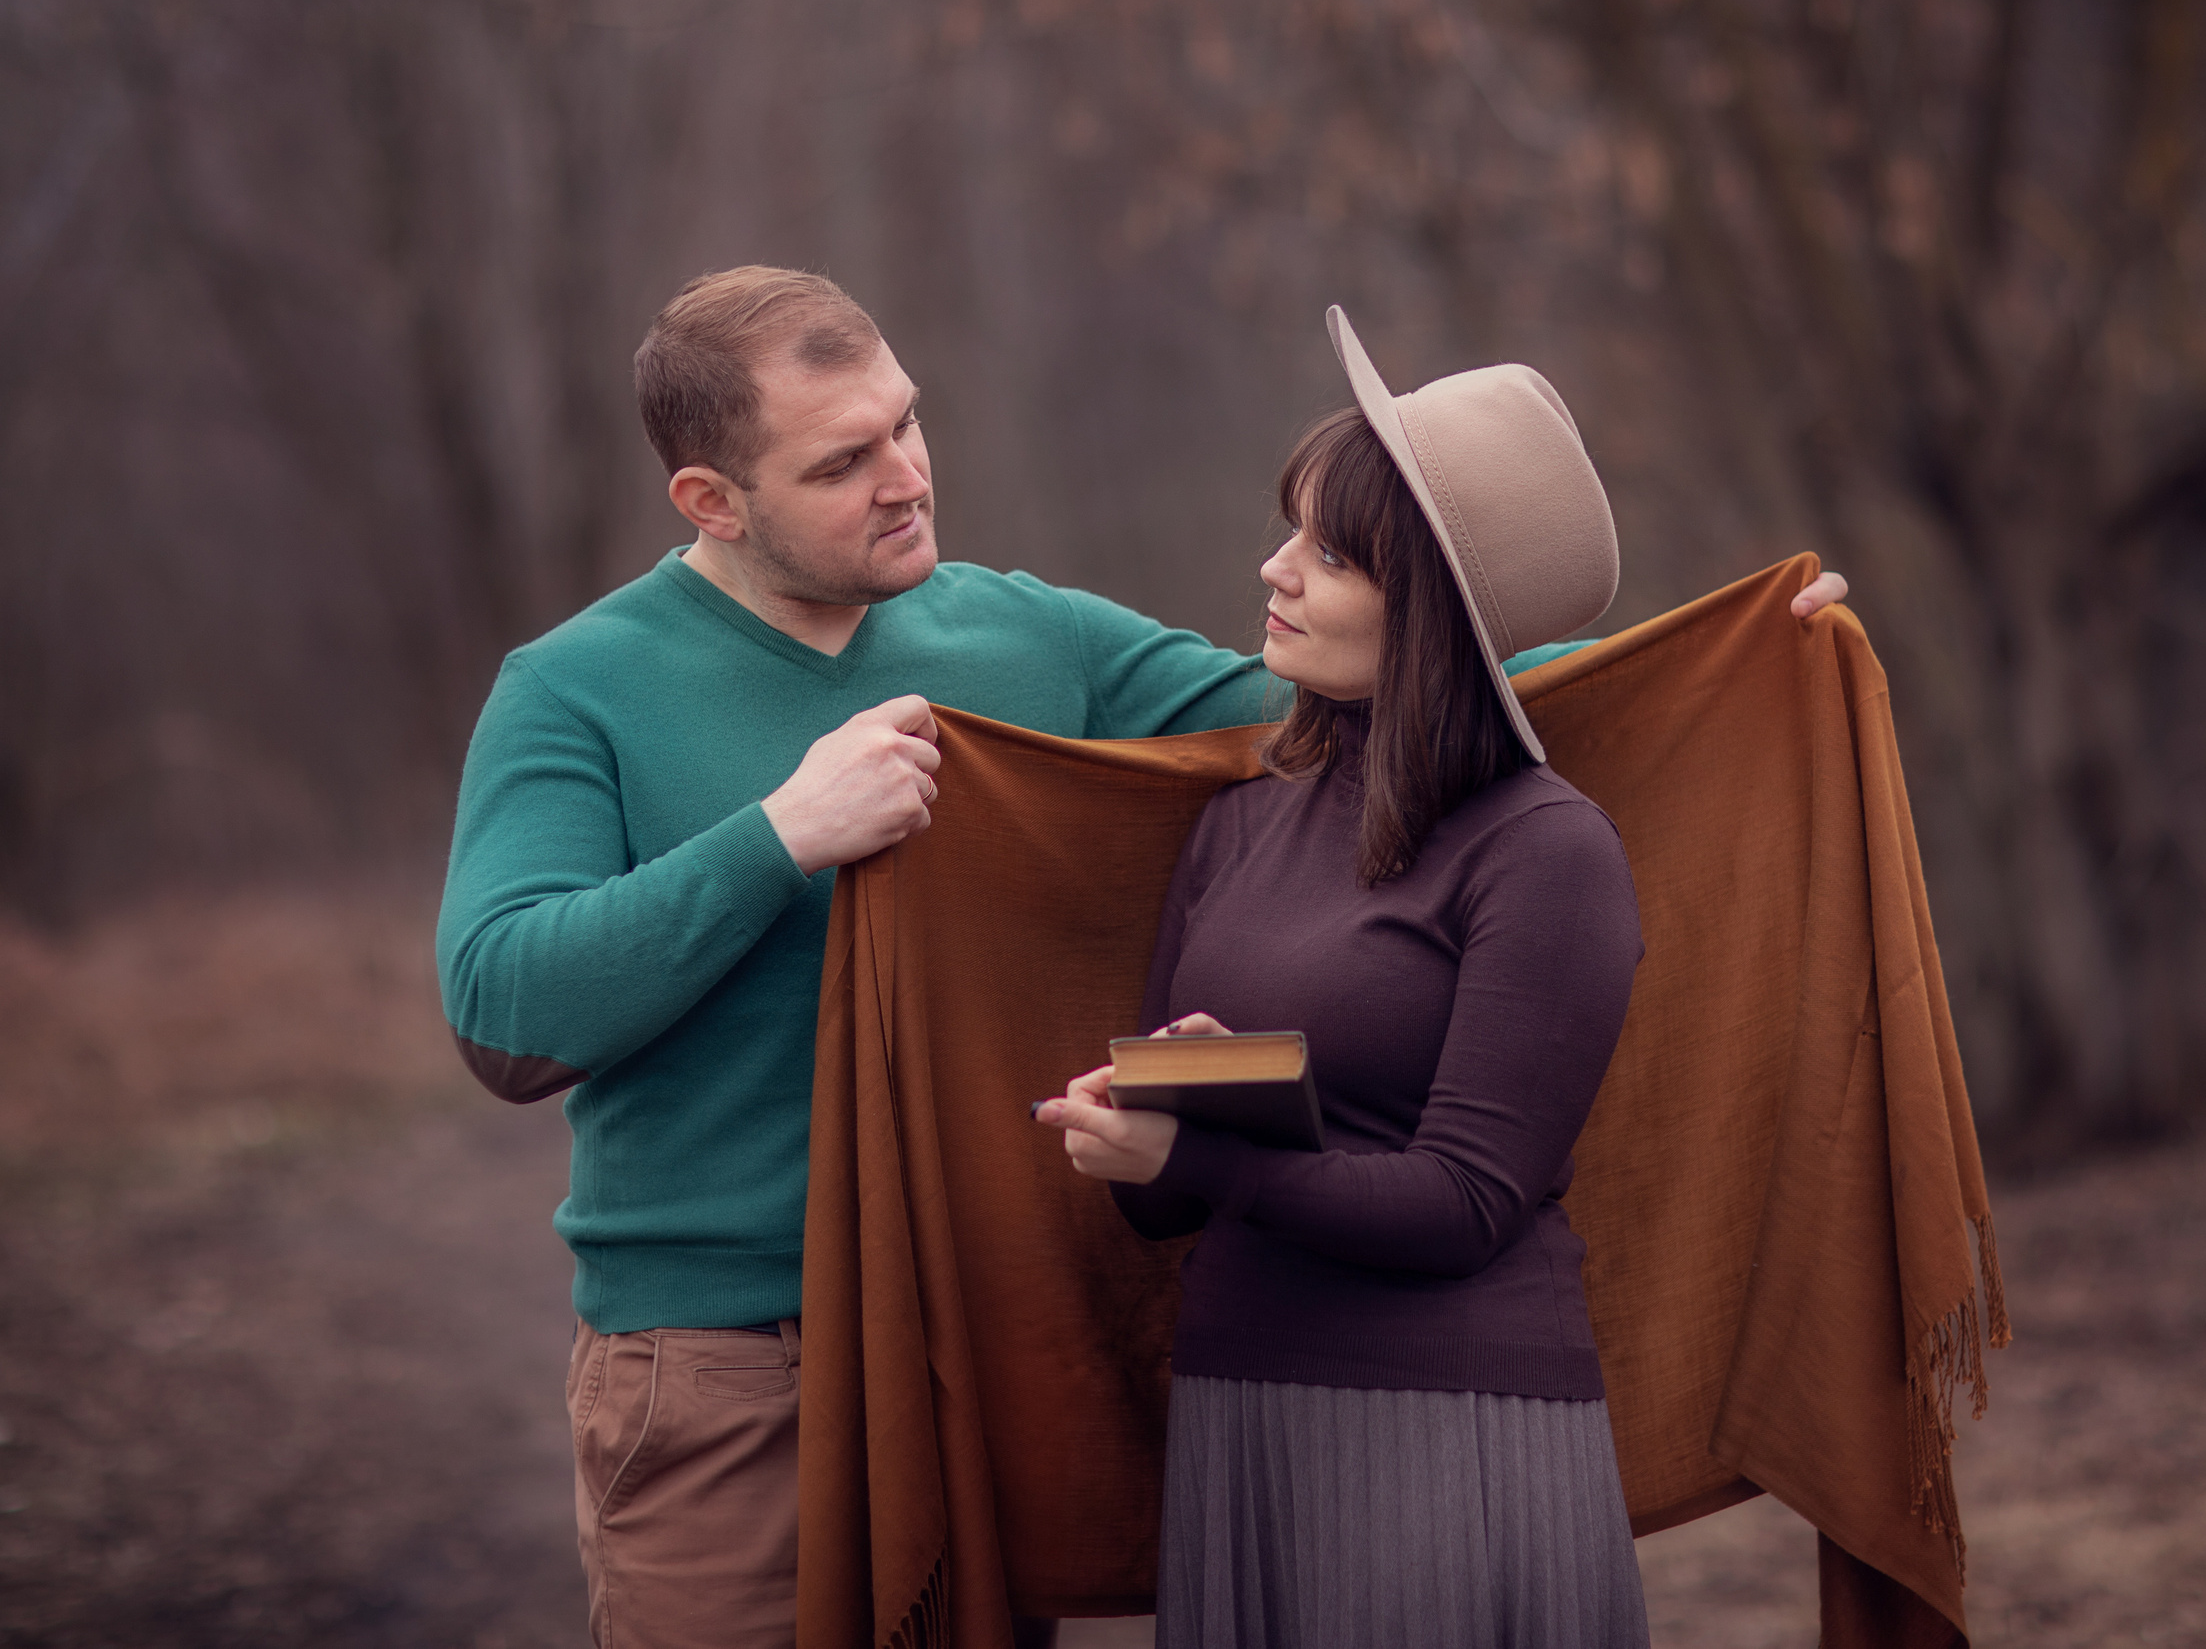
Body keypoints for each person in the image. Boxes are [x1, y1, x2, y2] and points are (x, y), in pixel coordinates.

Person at [437, 265, 1846, 1649]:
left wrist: (1726, 654)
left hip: (971, 1347)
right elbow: (504, 1016)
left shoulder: (1025, 632)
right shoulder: (576, 687)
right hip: (738, 1368)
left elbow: (1369, 690)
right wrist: (779, 836)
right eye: (842, 463)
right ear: (710, 500)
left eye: (906, 423)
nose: (906, 477)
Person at [1032, 309, 1653, 1647]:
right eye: (1290, 531)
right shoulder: (1238, 823)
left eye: (1328, 552)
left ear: (1428, 608)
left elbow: (1465, 1204)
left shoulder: (1547, 850)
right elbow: (1163, 1210)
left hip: (1447, 1425)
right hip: (1240, 1412)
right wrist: (1154, 1123)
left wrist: (1206, 1155)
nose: (1275, 568)